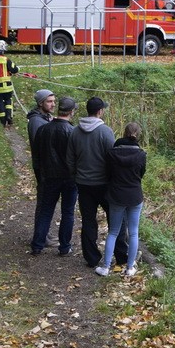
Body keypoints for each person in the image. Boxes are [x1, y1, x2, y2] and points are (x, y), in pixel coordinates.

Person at [66, 97, 128, 268]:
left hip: (83, 184)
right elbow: (113, 158)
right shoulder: (105, 132)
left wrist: (75, 175)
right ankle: (121, 256)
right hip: (104, 184)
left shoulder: (75, 132)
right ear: (100, 111)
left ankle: (91, 258)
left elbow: (70, 159)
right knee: (116, 220)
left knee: (88, 221)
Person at [95, 122, 147, 278]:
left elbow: (108, 174)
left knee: (113, 232)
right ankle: (130, 268)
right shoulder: (141, 154)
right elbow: (141, 174)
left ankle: (105, 267)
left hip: (116, 195)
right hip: (135, 196)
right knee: (133, 232)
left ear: (124, 134)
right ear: (138, 135)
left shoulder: (112, 153)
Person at [31, 97, 78, 256]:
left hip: (49, 176)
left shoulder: (44, 129)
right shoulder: (72, 132)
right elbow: (76, 157)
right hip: (69, 178)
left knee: (46, 211)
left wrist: (40, 174)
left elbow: (37, 155)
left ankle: (37, 244)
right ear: (72, 112)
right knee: (68, 212)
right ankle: (64, 247)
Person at [27, 90, 56, 162]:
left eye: (54, 101)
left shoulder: (47, 117)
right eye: (49, 101)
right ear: (40, 103)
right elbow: (41, 146)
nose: (53, 104)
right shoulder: (36, 122)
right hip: (44, 164)